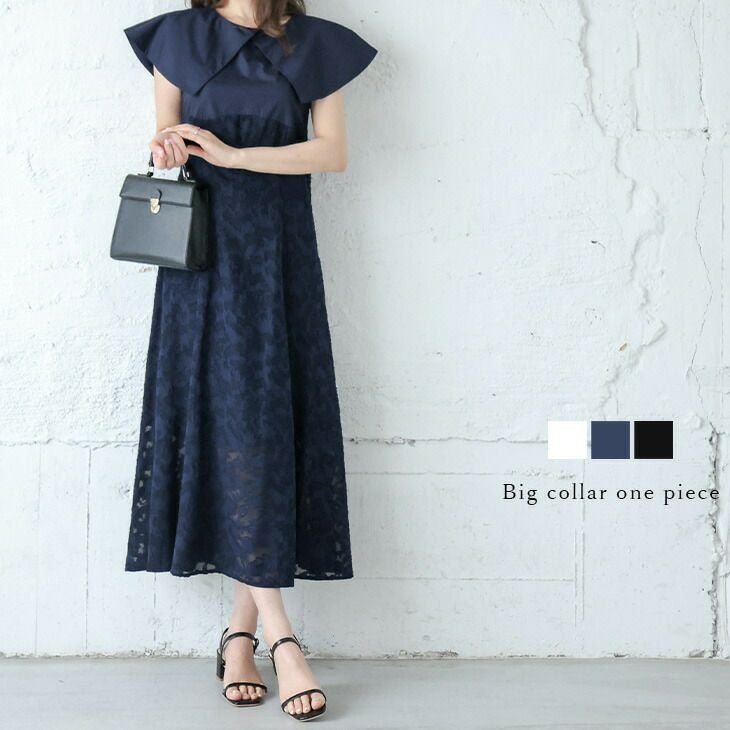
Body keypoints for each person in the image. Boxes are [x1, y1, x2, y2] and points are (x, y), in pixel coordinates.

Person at [121, 0, 377, 721]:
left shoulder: (318, 44)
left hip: (278, 253)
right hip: (200, 257)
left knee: (261, 429)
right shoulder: (177, 35)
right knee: (233, 425)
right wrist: (169, 149)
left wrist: (234, 156)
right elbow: (163, 137)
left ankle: (241, 632)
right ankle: (280, 638)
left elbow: (331, 152)